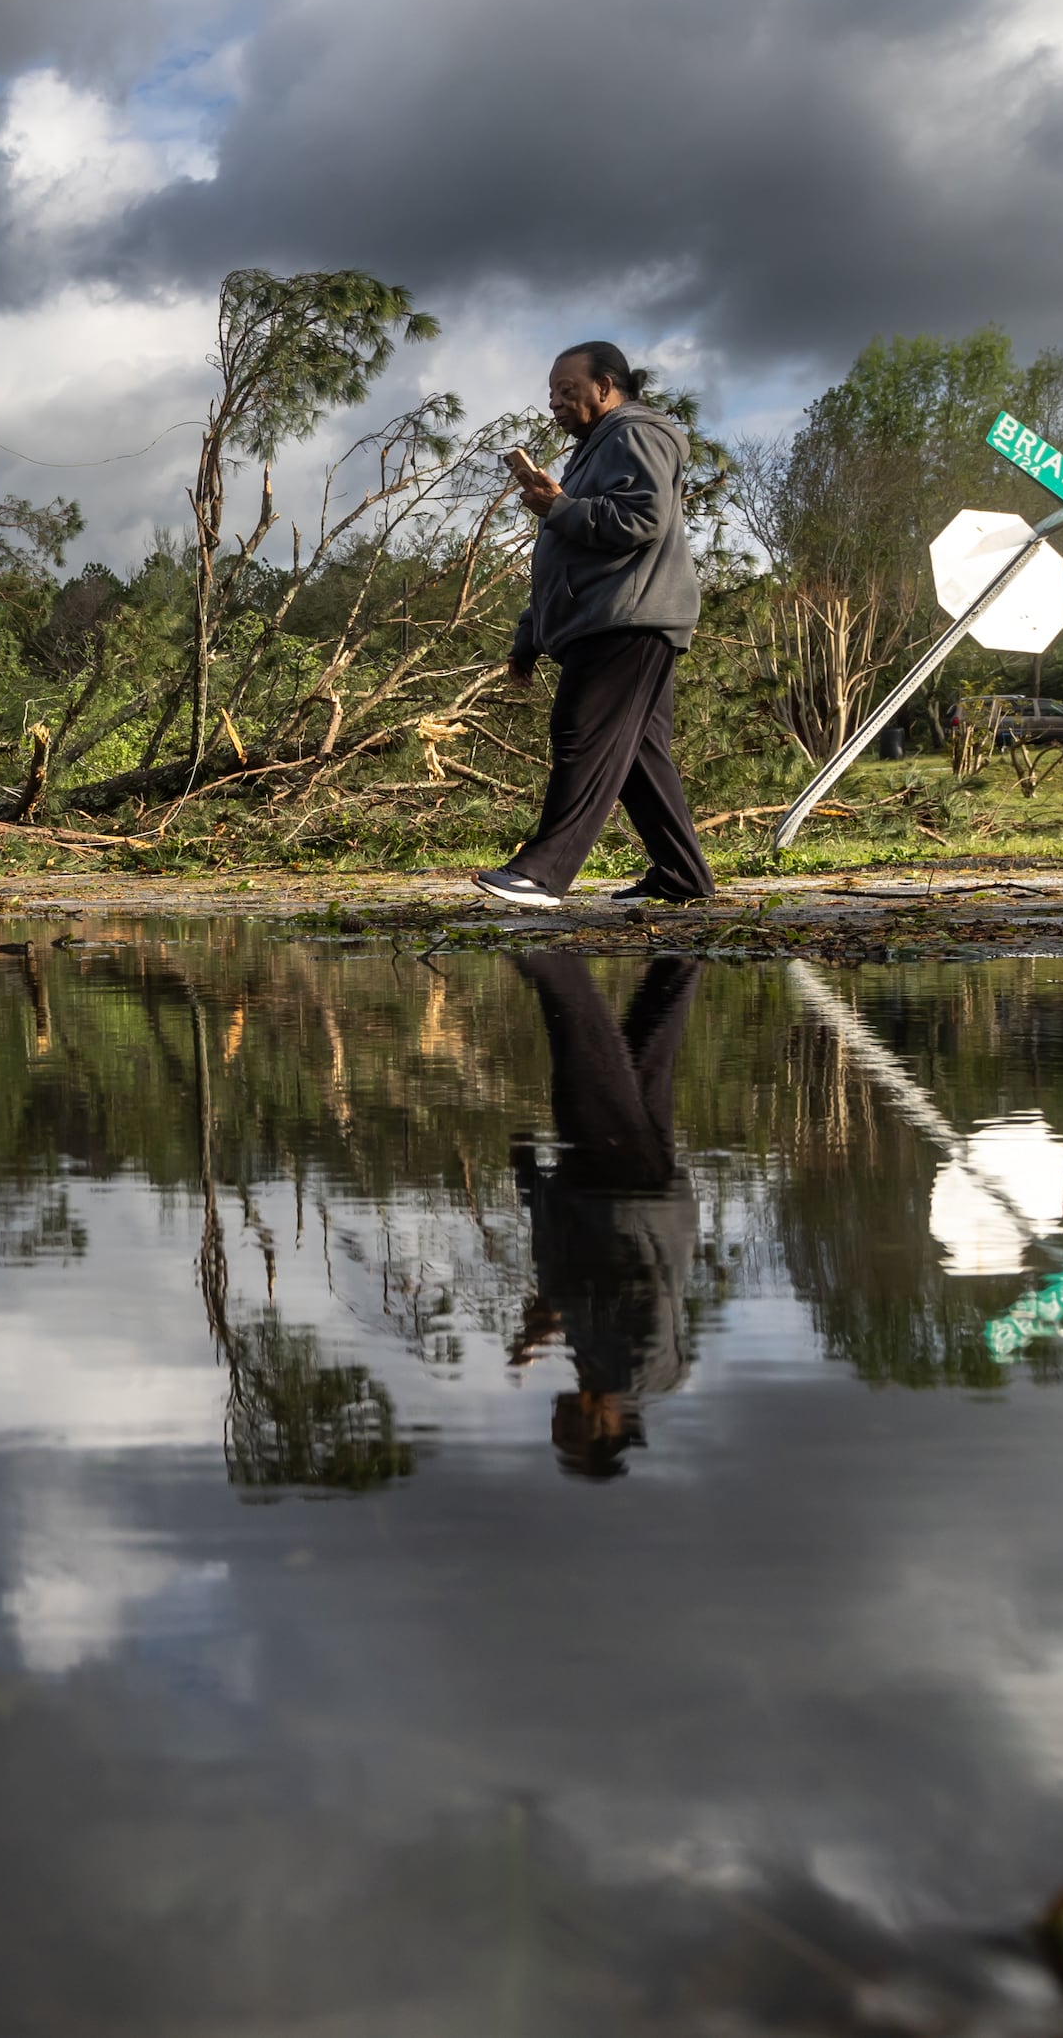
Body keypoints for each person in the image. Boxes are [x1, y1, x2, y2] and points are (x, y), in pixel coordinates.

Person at [472, 341, 712, 910]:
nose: (554, 402)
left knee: (581, 733)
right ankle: (682, 874)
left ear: (606, 387)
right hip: (608, 617)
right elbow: (569, 555)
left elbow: (642, 518)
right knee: (637, 756)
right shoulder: (594, 449)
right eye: (551, 393)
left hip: (628, 618)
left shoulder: (636, 433)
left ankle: (542, 872)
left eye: (567, 390)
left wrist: (558, 507)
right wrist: (529, 636)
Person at [506, 953, 703, 1479]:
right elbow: (627, 1283)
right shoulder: (638, 1368)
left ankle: (683, 951)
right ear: (603, 1427)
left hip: (644, 1194)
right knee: (581, 1044)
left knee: (646, 1052)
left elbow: (569, 1259)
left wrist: (553, 1317)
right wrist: (553, 1314)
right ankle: (545, 954)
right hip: (616, 1189)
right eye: (565, 1432)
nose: (556, 1417)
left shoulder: (610, 1369)